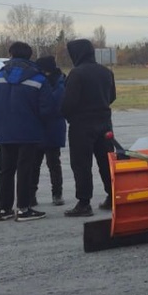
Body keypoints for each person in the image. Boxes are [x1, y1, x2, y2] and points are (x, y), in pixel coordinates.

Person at [0, 41, 54, 222]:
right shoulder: (39, 79)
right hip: (29, 131)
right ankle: (24, 208)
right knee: (25, 170)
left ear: (10, 54)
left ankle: (4, 209)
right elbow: (47, 108)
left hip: (4, 131)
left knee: (6, 170)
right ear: (30, 56)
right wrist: (39, 123)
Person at [60, 38, 116, 217]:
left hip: (81, 125)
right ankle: (113, 196)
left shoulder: (76, 74)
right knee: (106, 162)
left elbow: (69, 102)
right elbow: (112, 96)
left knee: (81, 164)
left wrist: (66, 114)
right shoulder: (106, 72)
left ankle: (84, 203)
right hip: (105, 123)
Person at [33, 55, 67, 206]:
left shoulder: (56, 82)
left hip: (48, 126)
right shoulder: (61, 80)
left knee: (51, 164)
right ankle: (34, 194)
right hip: (48, 127)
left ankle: (56, 193)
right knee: (38, 164)